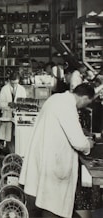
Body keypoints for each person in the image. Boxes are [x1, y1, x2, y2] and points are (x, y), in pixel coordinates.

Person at [19, 83, 95, 218]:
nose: (85, 107)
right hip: (53, 163)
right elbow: (78, 142)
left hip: (43, 157)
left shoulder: (56, 99)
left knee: (40, 199)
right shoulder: (67, 106)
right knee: (53, 204)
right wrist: (88, 143)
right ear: (84, 98)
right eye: (87, 103)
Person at [0, 71, 27, 149]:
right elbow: (0, 103)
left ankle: (17, 150)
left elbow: (24, 103)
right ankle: (9, 150)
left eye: (16, 83)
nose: (14, 85)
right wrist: (8, 104)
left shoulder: (22, 89)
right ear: (9, 80)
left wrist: (18, 105)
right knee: (8, 135)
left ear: (18, 81)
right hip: (7, 114)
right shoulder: (4, 89)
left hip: (18, 114)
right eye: (12, 83)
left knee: (17, 135)